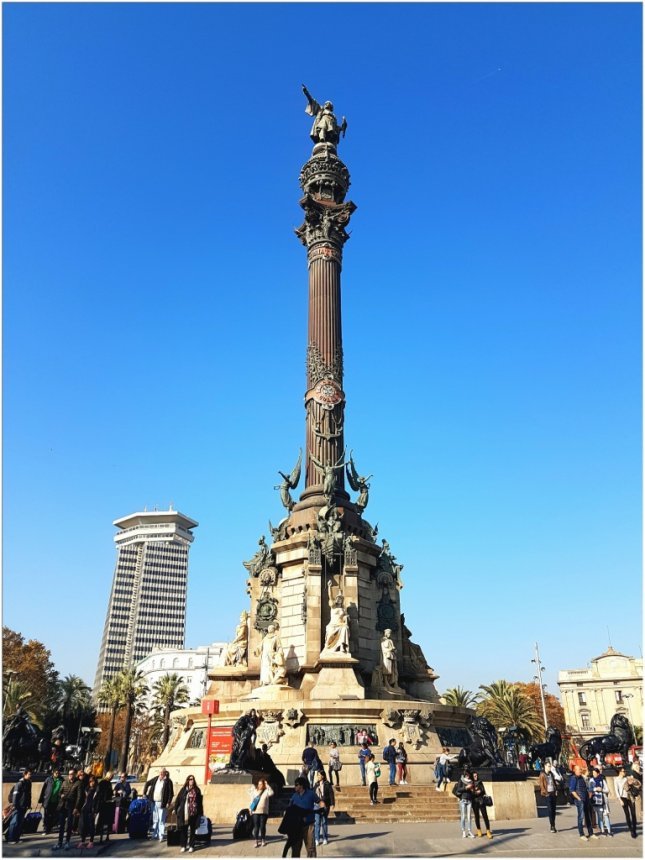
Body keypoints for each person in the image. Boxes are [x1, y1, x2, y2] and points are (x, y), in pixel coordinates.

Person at [282, 777, 316, 858]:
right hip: (296, 826)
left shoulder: (311, 794)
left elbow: (319, 801)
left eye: (296, 785)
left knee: (310, 847)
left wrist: (323, 806)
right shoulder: (294, 796)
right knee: (295, 848)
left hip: (308, 825)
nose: (295, 787)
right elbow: (289, 809)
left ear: (301, 786)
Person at [54, 768, 85, 851]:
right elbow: (60, 792)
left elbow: (79, 797)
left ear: (75, 774)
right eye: (69, 774)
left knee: (69, 826)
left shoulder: (78, 783)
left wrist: (76, 808)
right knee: (61, 825)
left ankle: (67, 842)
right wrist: (61, 795)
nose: (70, 775)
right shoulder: (64, 782)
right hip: (62, 805)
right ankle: (59, 842)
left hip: (71, 806)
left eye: (72, 774)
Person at [173, 774, 203, 854]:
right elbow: (178, 800)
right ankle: (183, 846)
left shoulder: (197, 790)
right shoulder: (183, 790)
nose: (191, 781)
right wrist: (175, 809)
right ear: (187, 780)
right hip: (184, 813)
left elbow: (200, 802)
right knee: (184, 830)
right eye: (190, 779)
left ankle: (191, 846)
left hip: (194, 813)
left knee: (193, 830)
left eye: (192, 779)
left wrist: (201, 813)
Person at [144, 767, 174, 842]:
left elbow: (171, 793)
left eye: (162, 772)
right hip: (154, 802)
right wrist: (145, 793)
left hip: (162, 803)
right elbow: (147, 783)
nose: (161, 773)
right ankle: (155, 834)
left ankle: (161, 835)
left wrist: (168, 802)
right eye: (160, 772)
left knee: (161, 819)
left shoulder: (168, 781)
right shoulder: (155, 779)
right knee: (155, 819)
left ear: (165, 773)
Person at [569, 765, 598, 841]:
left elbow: (585, 787)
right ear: (575, 770)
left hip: (586, 799)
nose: (580, 771)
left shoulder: (582, 777)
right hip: (580, 800)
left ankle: (591, 833)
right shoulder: (573, 778)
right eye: (579, 769)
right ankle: (581, 834)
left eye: (581, 769)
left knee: (588, 816)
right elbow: (572, 790)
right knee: (581, 817)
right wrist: (578, 798)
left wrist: (588, 794)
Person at [6, 768, 32, 844]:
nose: (30, 776)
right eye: (29, 774)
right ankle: (11, 839)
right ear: (25, 774)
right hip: (18, 806)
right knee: (14, 822)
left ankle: (16, 838)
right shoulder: (19, 783)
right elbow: (15, 795)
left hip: (24, 806)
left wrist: (29, 804)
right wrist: (14, 805)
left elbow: (29, 794)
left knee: (20, 823)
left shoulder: (28, 783)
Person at [614, 766, 639, 838]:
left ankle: (634, 830)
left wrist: (632, 780)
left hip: (630, 797)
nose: (624, 772)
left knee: (633, 814)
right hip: (623, 798)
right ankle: (631, 830)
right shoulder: (616, 780)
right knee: (627, 814)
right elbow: (616, 790)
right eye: (623, 771)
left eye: (624, 771)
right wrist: (620, 800)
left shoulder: (626, 778)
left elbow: (634, 785)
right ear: (620, 772)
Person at [38, 767, 63, 835]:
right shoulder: (48, 779)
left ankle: (50, 827)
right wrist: (40, 799)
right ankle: (46, 829)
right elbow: (43, 789)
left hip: (56, 801)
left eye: (58, 773)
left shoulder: (61, 780)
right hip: (47, 800)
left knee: (53, 815)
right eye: (56, 773)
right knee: (46, 815)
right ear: (53, 773)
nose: (57, 774)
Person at [251, 777, 274, 848]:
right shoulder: (255, 791)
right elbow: (252, 800)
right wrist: (250, 809)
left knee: (262, 826)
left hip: (264, 812)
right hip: (255, 811)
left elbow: (272, 793)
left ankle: (263, 840)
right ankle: (256, 841)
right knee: (256, 827)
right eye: (258, 784)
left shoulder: (266, 791)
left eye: (261, 784)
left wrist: (267, 785)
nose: (259, 785)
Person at [313, 770, 334, 846]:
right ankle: (317, 839)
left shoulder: (327, 784)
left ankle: (325, 838)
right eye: (317, 775)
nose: (318, 776)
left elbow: (331, 794)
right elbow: (313, 794)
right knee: (317, 823)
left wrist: (332, 803)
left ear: (323, 776)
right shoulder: (316, 784)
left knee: (324, 822)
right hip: (317, 805)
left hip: (325, 805)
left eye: (319, 775)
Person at [589, 766, 611, 836]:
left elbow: (607, 790)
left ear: (598, 773)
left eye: (595, 773)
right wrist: (595, 789)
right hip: (596, 800)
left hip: (603, 800)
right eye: (593, 773)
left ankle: (609, 830)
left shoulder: (602, 780)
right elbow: (590, 789)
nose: (594, 774)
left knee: (606, 815)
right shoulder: (591, 780)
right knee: (599, 815)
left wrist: (602, 790)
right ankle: (602, 830)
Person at [471, 771, 493, 839]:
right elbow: (471, 792)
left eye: (476, 775)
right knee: (477, 817)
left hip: (481, 801)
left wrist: (480, 791)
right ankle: (479, 830)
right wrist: (475, 792)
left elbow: (483, 790)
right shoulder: (471, 783)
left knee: (485, 816)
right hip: (474, 802)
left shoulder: (480, 782)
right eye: (474, 776)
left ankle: (488, 831)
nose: (476, 777)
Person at [78, 775, 98, 848]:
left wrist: (95, 811)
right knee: (83, 825)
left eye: (93, 781)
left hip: (91, 809)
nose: (91, 783)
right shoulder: (86, 789)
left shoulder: (96, 790)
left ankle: (91, 841)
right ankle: (82, 841)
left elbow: (97, 802)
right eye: (90, 781)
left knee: (91, 825)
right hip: (85, 809)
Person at [538, 761, 559, 832]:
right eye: (548, 766)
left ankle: (553, 824)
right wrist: (545, 793)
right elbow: (541, 785)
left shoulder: (551, 774)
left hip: (553, 793)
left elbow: (554, 783)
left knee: (553, 810)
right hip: (548, 794)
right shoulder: (542, 775)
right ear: (545, 766)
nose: (550, 767)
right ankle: (552, 826)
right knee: (550, 810)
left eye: (550, 766)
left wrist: (556, 790)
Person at [454, 769, 475, 838]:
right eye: (467, 774)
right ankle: (463, 831)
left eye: (469, 774)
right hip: (463, 800)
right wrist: (466, 787)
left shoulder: (471, 781)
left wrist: (472, 790)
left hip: (469, 800)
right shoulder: (461, 780)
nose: (468, 776)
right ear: (465, 774)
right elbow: (458, 789)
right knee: (463, 817)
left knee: (469, 817)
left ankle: (469, 831)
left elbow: (473, 791)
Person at [95, 771, 114, 844]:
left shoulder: (106, 783)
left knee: (104, 819)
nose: (112, 778)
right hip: (103, 803)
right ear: (109, 776)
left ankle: (103, 834)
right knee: (102, 820)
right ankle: (100, 834)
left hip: (105, 802)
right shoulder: (104, 783)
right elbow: (101, 793)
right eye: (111, 776)